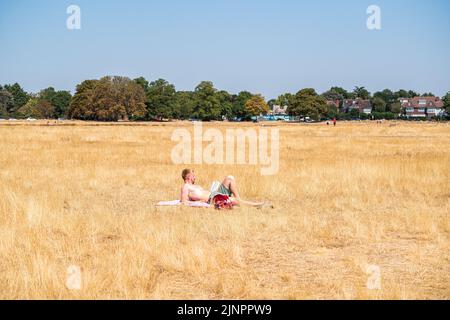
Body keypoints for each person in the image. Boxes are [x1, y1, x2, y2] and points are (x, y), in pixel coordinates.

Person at [180, 169, 269, 208]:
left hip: (214, 193)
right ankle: (258, 205)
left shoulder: (195, 186)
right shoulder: (186, 187)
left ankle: (239, 199)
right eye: (193, 175)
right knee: (234, 201)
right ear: (189, 176)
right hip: (213, 198)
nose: (195, 177)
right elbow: (184, 202)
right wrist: (199, 202)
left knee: (229, 179)